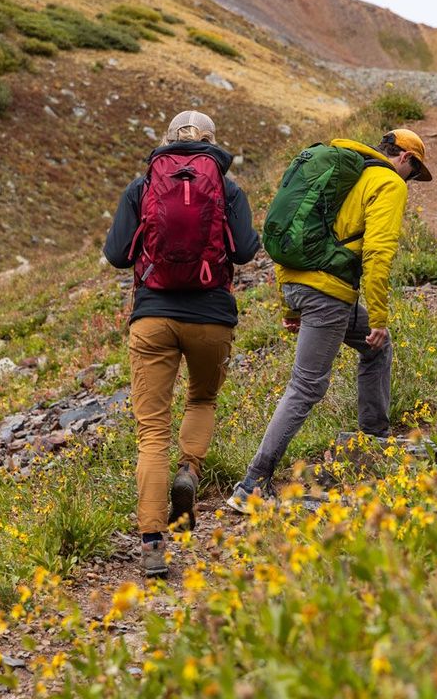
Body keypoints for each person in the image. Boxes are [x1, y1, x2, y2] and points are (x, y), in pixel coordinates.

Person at [227, 129, 431, 512]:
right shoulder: (387, 182)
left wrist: (291, 306)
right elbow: (378, 252)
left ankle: (373, 440)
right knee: (306, 387)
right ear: (403, 157)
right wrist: (380, 316)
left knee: (377, 351)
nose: (412, 180)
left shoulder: (343, 175)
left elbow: (293, 233)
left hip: (303, 287)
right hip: (329, 293)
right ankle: (253, 483)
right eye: (415, 171)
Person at [104, 110, 259, 577]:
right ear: (212, 142)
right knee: (203, 397)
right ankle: (189, 470)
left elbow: (116, 255)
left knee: (152, 432)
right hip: (212, 317)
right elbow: (247, 251)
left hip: (152, 318)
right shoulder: (227, 188)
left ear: (167, 141)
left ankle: (153, 544)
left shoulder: (143, 186)